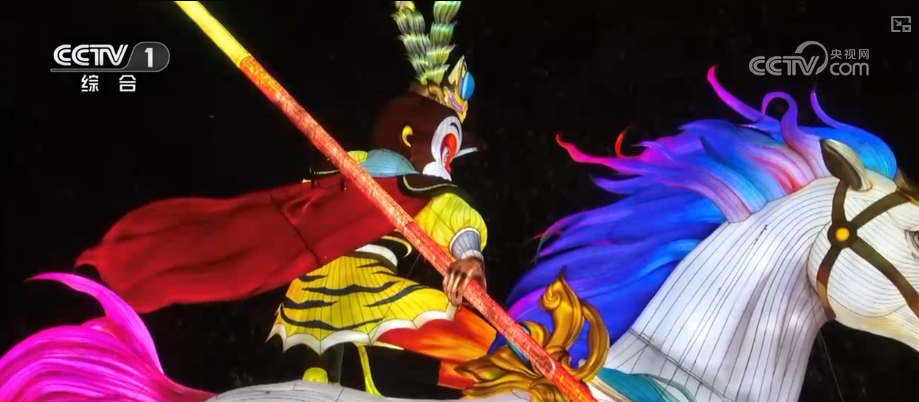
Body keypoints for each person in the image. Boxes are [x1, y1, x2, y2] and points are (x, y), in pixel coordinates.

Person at [74, 1, 486, 394]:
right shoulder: (363, 171)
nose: (448, 160)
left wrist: (469, 257)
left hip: (337, 286)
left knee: (459, 349)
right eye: (448, 145)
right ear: (414, 134)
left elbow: (457, 219)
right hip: (347, 281)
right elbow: (445, 213)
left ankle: (334, 379)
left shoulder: (412, 188)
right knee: (477, 347)